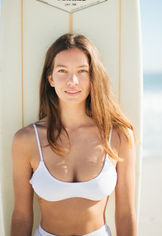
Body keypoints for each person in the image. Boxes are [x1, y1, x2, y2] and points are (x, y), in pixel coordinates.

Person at [11, 33, 137, 236]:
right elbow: (21, 217)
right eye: (62, 70)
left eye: (82, 71)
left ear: (94, 77)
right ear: (50, 78)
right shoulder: (26, 140)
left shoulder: (119, 136)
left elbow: (126, 215)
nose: (73, 80)